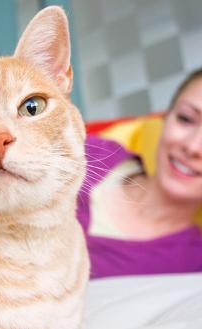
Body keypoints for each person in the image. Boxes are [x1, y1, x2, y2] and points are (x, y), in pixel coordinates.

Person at [77, 69, 202, 279]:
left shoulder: (192, 266)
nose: (193, 146)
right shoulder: (94, 152)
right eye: (186, 119)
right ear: (165, 118)